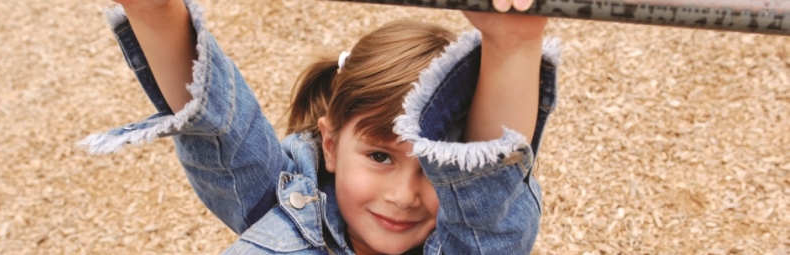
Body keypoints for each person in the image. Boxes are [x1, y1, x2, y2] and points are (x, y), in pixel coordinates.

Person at [81, 0, 560, 253]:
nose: (404, 194)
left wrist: (514, 43)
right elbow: (220, 131)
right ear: (329, 144)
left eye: (435, 172)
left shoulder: (464, 246)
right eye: (379, 156)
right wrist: (153, 11)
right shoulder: (286, 205)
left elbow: (488, 193)